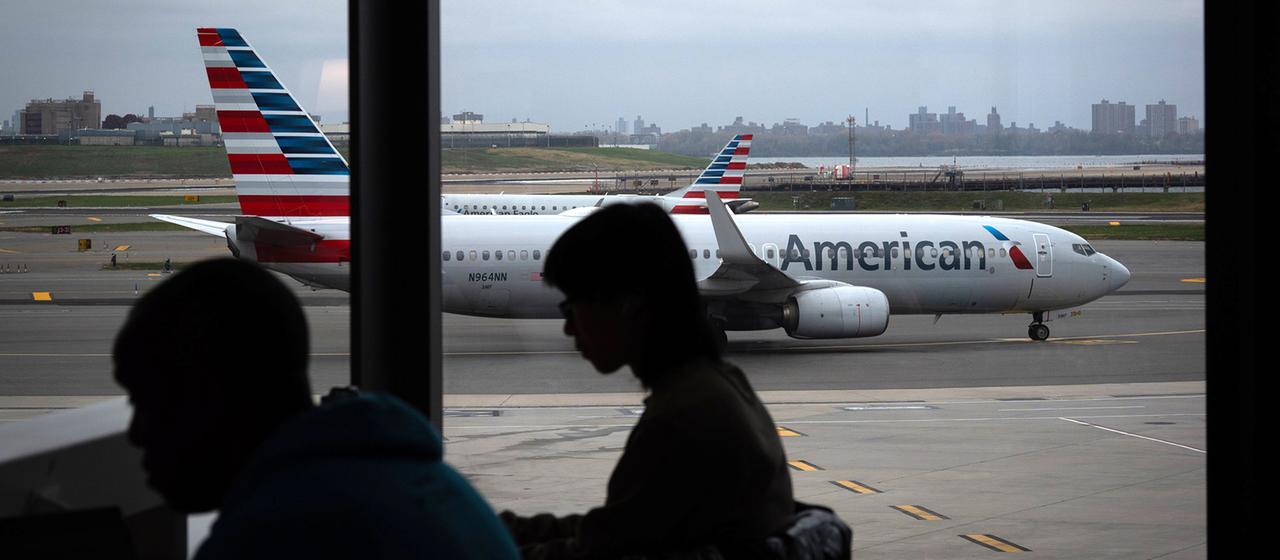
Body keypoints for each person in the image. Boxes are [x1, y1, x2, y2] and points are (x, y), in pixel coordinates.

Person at [113, 258, 517, 559]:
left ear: (211, 397)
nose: (136, 433)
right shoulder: (414, 478)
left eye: (150, 401)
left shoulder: (276, 534)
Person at [500, 203, 797, 558]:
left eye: (573, 306)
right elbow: (620, 528)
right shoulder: (716, 388)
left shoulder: (684, 422)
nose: (567, 327)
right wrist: (498, 527)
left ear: (628, 304)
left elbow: (600, 550)